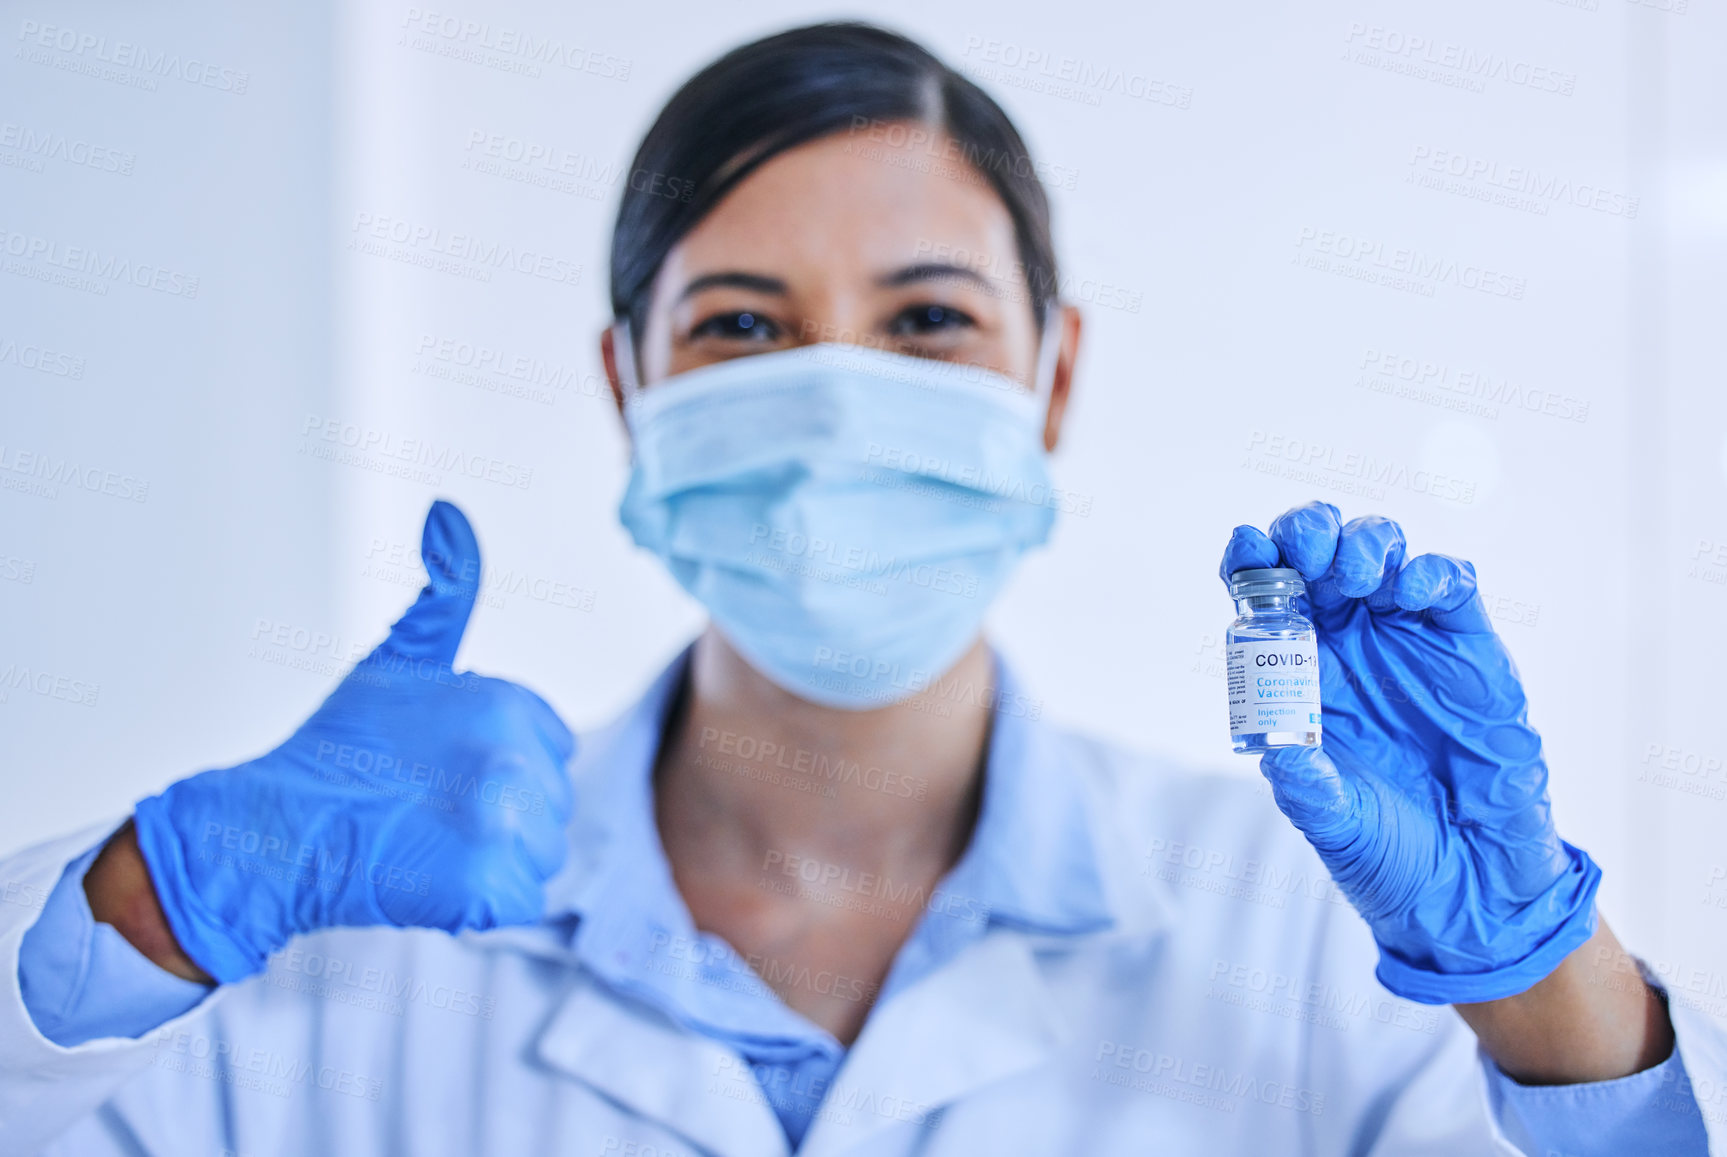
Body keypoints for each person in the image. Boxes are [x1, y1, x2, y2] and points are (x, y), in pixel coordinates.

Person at [1, 22, 1718, 1157]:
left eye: (926, 322)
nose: (834, 402)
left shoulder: (1294, 946)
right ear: (630, 386)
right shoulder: (346, 956)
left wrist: (1539, 976)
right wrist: (162, 897)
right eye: (742, 324)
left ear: (1048, 382)